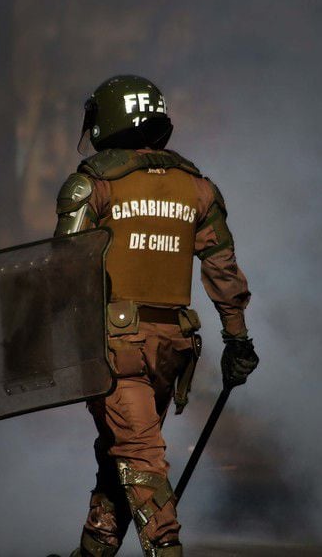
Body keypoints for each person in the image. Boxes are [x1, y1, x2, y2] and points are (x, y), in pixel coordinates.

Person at [54, 75, 258, 557]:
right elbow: (222, 269)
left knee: (139, 457)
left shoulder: (92, 185)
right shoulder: (199, 188)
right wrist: (238, 339)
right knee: (122, 454)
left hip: (112, 347)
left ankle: (165, 550)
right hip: (173, 348)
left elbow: (61, 271)